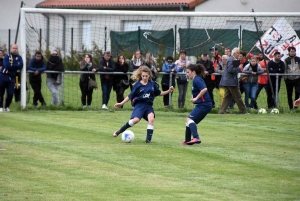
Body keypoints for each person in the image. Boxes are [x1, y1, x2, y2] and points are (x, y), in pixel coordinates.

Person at [112, 66, 174, 143]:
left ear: (149, 76)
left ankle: (148, 140)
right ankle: (119, 131)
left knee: (151, 119)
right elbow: (130, 96)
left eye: (146, 76)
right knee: (136, 120)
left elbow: (159, 93)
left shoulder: (152, 84)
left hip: (148, 106)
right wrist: (121, 103)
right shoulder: (137, 85)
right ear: (141, 75)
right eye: (143, 76)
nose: (144, 77)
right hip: (139, 105)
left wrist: (168, 91)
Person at [182, 64, 212, 145]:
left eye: (188, 72)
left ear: (193, 72)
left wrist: (196, 98)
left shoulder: (197, 80)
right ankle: (187, 140)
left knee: (189, 120)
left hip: (204, 104)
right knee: (189, 120)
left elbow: (204, 89)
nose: (187, 74)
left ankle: (196, 137)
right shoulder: (196, 79)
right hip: (204, 104)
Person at [218, 48, 248, 114]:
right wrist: (238, 67)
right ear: (234, 53)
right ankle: (243, 111)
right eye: (238, 53)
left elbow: (234, 70)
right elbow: (231, 70)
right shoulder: (231, 59)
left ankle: (222, 111)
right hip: (231, 82)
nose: (239, 54)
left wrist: (238, 64)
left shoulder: (234, 60)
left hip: (230, 81)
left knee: (227, 97)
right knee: (238, 96)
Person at [0, 44, 23, 112]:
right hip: (3, 76)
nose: (14, 49)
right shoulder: (7, 56)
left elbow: (20, 65)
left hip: (12, 77)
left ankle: (7, 106)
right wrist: (16, 65)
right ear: (11, 49)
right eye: (13, 48)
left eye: (16, 48)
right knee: (1, 92)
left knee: (10, 93)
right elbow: (7, 66)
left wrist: (13, 65)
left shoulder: (19, 57)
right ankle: (0, 106)